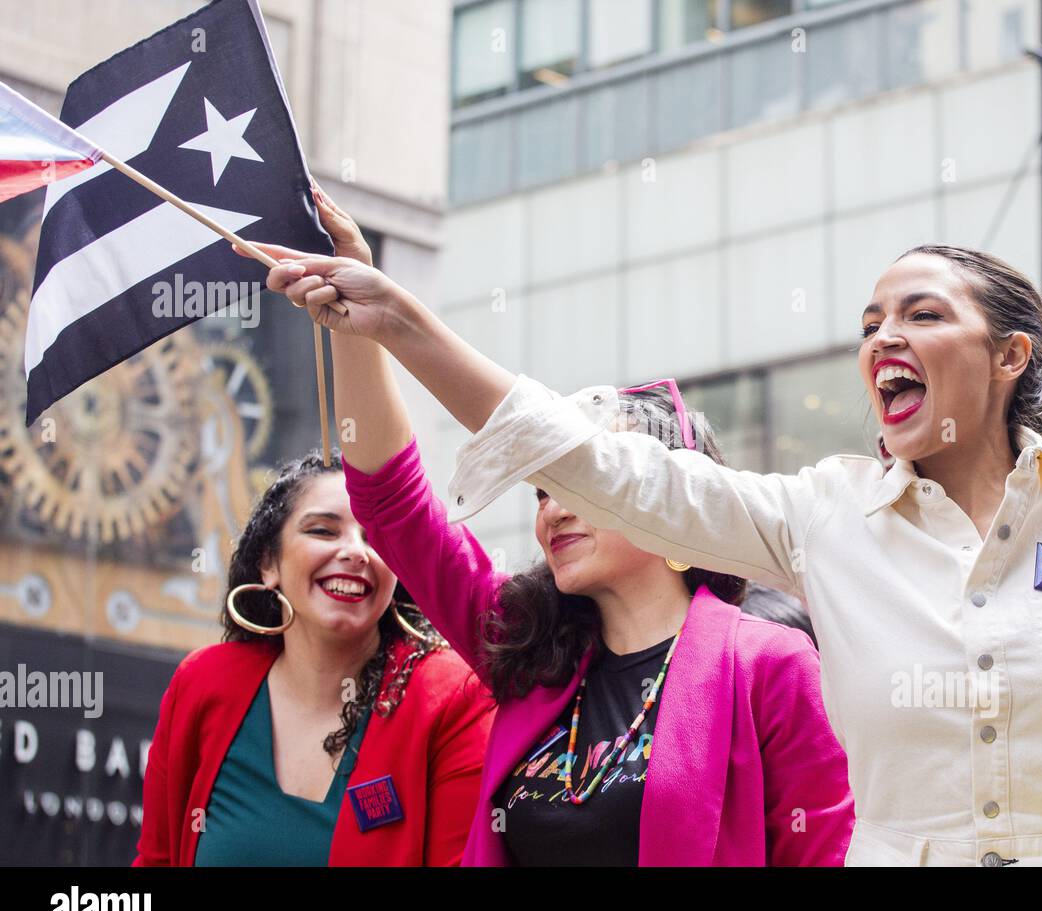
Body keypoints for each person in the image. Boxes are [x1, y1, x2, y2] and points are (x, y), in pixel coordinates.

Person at [252, 239, 1042, 866]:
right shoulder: (824, 514)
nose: (884, 337)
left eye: (923, 315)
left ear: (1011, 356)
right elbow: (601, 467)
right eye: (870, 320)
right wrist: (402, 324)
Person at [236, 185, 854, 867]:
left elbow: (823, 853)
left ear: (670, 497)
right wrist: (357, 328)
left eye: (578, 487)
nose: (553, 508)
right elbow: (392, 506)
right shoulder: (528, 649)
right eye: (539, 492)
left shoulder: (768, 666)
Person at [134, 450, 495, 866]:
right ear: (268, 563)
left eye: (375, 537)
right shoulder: (203, 682)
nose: (356, 552)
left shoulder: (453, 697)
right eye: (323, 531)